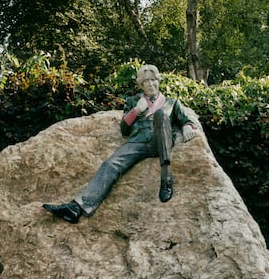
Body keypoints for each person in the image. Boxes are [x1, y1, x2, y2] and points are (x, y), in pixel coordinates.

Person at [43, 64, 199, 223]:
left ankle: (166, 179)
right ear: (141, 85)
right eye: (146, 81)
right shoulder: (133, 101)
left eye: (153, 80)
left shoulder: (171, 102)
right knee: (110, 164)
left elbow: (185, 119)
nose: (151, 84)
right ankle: (77, 208)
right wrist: (136, 111)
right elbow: (124, 129)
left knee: (160, 114)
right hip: (137, 141)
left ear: (158, 81)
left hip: (160, 141)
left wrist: (187, 126)